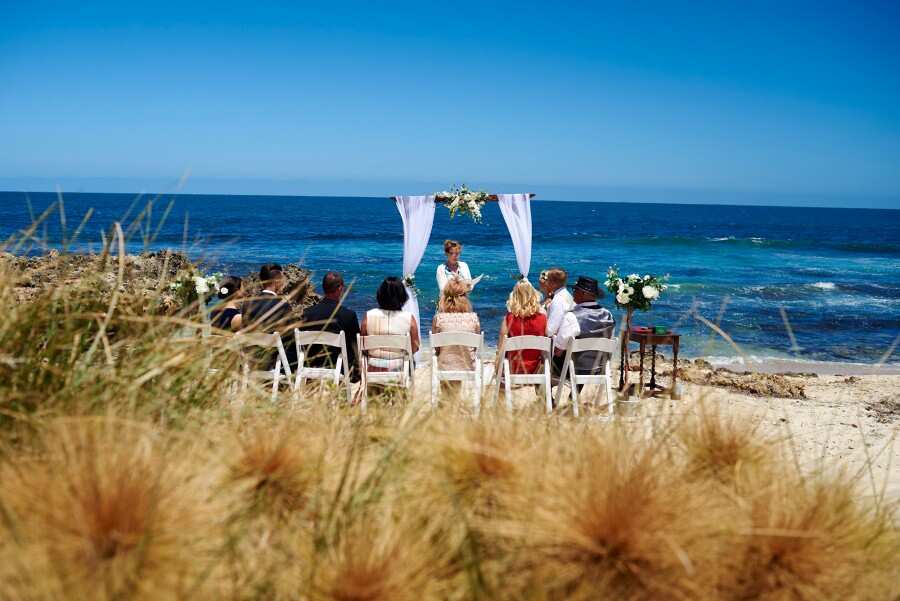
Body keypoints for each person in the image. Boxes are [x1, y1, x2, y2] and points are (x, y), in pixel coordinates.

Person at [552, 275, 616, 382]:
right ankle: (573, 397)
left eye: (575, 290)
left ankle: (549, 397)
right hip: (600, 369)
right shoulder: (608, 315)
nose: (573, 293)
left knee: (547, 363)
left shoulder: (572, 317)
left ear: (583, 293)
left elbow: (558, 351)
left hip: (574, 369)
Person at [299, 271, 361, 381]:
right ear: (339, 288)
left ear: (323, 288)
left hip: (311, 367)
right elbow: (356, 346)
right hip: (339, 369)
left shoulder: (307, 313)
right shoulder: (348, 315)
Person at [239, 263, 298, 369]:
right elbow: (291, 333)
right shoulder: (282, 305)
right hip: (273, 360)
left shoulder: (247, 304)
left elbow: (245, 328)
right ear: (277, 281)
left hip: (252, 358)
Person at [360, 277, 420, 372]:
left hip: (373, 366)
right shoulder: (408, 318)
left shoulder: (368, 315)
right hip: (398, 367)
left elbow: (362, 345)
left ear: (380, 295)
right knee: (412, 361)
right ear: (402, 296)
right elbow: (415, 347)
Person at [431, 278, 481, 374]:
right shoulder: (473, 318)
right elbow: (474, 347)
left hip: (444, 367)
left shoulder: (438, 319)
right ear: (465, 298)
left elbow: (437, 348)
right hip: (468, 367)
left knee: (444, 356)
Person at [497, 279, 548, 374]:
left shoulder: (509, 318)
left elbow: (501, 348)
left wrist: (497, 370)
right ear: (533, 295)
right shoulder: (543, 318)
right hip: (535, 369)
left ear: (514, 296)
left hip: (512, 368)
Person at [540, 267, 574, 339]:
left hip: (558, 342)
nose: (546, 282)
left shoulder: (558, 300)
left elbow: (550, 331)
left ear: (553, 283)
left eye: (548, 280)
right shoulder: (567, 295)